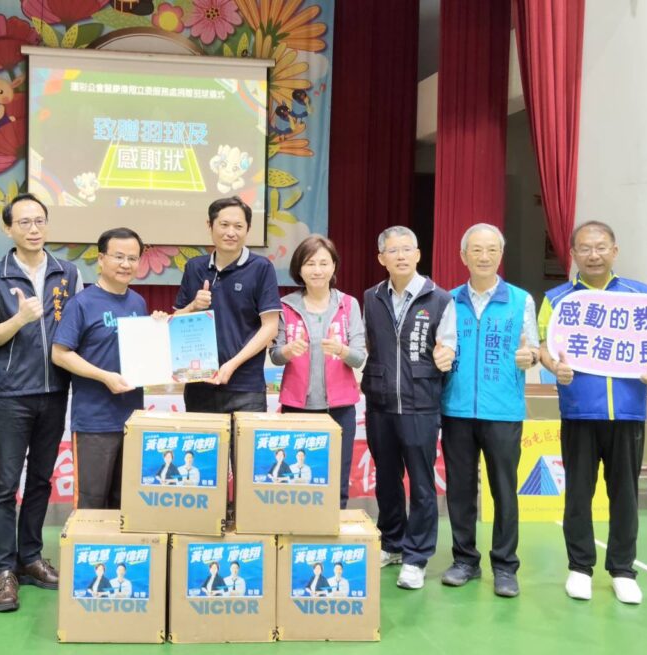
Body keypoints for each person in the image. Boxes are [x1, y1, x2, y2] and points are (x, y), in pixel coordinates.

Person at [538, 221, 647, 605]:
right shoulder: (557, 299)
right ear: (573, 254)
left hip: (627, 413)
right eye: (585, 248)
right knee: (578, 494)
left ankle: (623, 570)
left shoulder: (641, 296)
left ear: (614, 250)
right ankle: (580, 568)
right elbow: (543, 345)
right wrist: (553, 366)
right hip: (579, 412)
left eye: (601, 247)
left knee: (625, 495)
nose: (594, 255)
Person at [0, 194, 82, 611]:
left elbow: (80, 326)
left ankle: (31, 558)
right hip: (13, 394)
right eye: (24, 222)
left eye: (39, 221)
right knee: (5, 485)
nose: (33, 229)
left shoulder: (68, 273)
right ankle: (4, 570)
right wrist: (20, 319)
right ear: (8, 229)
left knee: (40, 480)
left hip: (55, 392)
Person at [440, 224, 540, 598]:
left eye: (492, 250)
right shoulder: (447, 301)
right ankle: (465, 560)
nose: (484, 257)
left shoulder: (520, 300)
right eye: (477, 250)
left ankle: (505, 566)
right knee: (460, 490)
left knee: (504, 490)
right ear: (463, 256)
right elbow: (440, 347)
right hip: (457, 409)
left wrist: (530, 356)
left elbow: (533, 349)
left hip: (503, 411)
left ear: (501, 254)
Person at [362, 226, 456, 591]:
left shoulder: (440, 299)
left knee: (421, 483)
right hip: (380, 403)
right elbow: (367, 344)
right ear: (380, 258)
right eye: (392, 250)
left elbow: (449, 348)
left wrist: (447, 356)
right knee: (386, 478)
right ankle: (392, 543)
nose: (400, 256)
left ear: (418, 255)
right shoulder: (371, 297)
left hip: (421, 403)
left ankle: (417, 557)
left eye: (407, 249)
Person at [53, 228, 161, 509]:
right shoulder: (81, 303)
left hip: (132, 419)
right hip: (95, 422)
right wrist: (104, 377)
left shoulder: (138, 301)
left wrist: (159, 331)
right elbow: (60, 354)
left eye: (133, 258)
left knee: (124, 503)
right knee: (91, 504)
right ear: (101, 259)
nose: (126, 264)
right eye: (118, 257)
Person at [269, 235, 365, 507]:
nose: (317, 270)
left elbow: (359, 358)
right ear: (299, 269)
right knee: (298, 479)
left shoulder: (348, 304)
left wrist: (341, 350)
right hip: (297, 407)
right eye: (310, 263)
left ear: (334, 266)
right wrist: (287, 351)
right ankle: (298, 529)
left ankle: (334, 527)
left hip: (340, 408)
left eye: (324, 263)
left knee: (337, 479)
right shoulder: (285, 306)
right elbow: (275, 356)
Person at [174, 197, 281, 413]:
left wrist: (232, 365)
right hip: (199, 384)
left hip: (246, 388)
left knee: (244, 438)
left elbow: (270, 327)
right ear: (210, 225)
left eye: (238, 226)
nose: (231, 232)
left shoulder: (261, 268)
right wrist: (193, 306)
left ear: (248, 229)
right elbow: (176, 322)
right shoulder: (194, 267)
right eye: (224, 225)